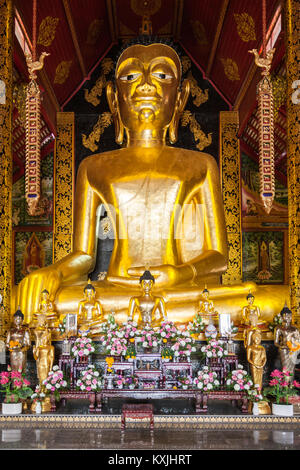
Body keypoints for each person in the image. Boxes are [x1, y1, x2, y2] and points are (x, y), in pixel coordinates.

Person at [12, 38, 288, 326]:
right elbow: (84, 256)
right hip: (116, 290)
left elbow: (219, 257)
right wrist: (53, 272)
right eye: (130, 77)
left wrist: (177, 274)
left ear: (180, 98)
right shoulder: (93, 167)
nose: (145, 85)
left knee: (270, 300)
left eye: (162, 75)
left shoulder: (201, 164)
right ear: (114, 98)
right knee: (28, 299)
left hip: (180, 290)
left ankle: (146, 317)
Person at [274, 305, 300, 381]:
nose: (288, 318)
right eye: (286, 316)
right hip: (284, 350)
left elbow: (298, 340)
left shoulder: (295, 329)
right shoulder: (278, 328)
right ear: (282, 317)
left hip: (293, 350)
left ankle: (291, 385)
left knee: (292, 368)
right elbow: (276, 342)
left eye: (290, 316)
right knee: (285, 368)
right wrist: (281, 346)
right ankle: (285, 386)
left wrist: (295, 347)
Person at [6, 308, 31, 372]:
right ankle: (13, 381)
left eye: (19, 319)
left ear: (22, 320)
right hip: (13, 352)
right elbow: (7, 343)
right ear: (13, 320)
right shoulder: (10, 331)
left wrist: (22, 348)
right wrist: (11, 347)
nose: (17, 320)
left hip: (21, 353)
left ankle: (21, 381)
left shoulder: (25, 330)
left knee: (21, 369)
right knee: (14, 369)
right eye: (15, 319)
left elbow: (28, 344)